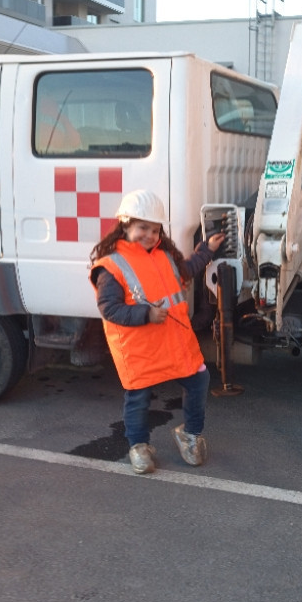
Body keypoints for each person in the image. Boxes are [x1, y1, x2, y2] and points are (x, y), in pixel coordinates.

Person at [89, 189, 225, 474]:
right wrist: (146, 314)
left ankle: (190, 434)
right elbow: (109, 309)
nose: (149, 235)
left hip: (174, 341)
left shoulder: (164, 255)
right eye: (142, 228)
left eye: (154, 229)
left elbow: (185, 271)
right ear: (125, 225)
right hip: (140, 347)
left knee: (200, 381)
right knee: (138, 400)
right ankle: (139, 447)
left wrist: (206, 250)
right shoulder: (110, 266)